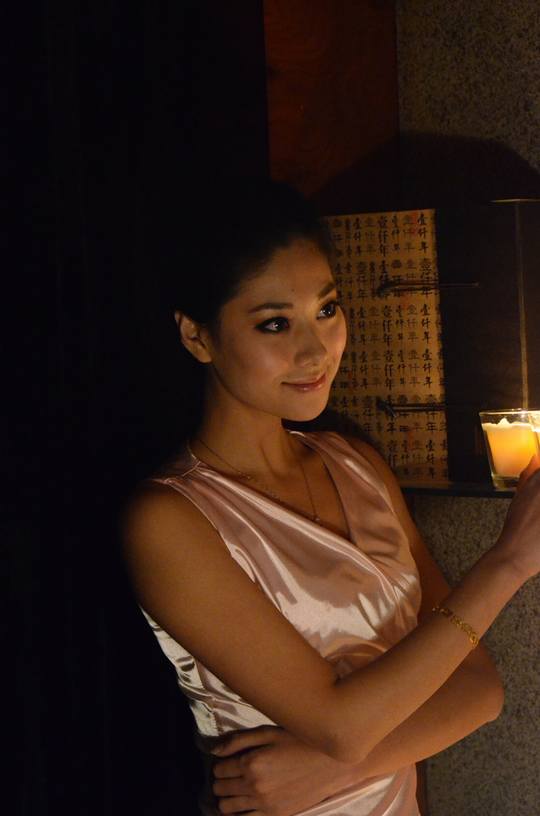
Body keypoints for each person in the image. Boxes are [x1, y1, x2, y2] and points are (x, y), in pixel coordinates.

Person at [122, 179, 540, 815]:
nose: (316, 349)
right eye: (274, 324)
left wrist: (327, 770)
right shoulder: (169, 520)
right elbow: (341, 725)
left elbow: (480, 688)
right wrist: (509, 562)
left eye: (326, 309)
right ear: (196, 336)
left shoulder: (357, 465)